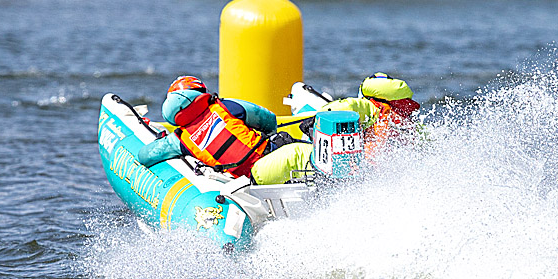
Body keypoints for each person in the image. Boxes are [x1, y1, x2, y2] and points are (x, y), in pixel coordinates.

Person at [138, 76, 314, 185]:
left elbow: (145, 156)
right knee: (299, 148)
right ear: (198, 92)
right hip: (269, 164)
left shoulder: (180, 139)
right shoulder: (225, 107)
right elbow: (269, 121)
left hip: (247, 182)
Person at [298, 73, 421, 159]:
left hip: (364, 166)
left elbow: (348, 106)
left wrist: (316, 119)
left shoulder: (370, 107)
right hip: (386, 169)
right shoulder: (406, 119)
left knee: (294, 153)